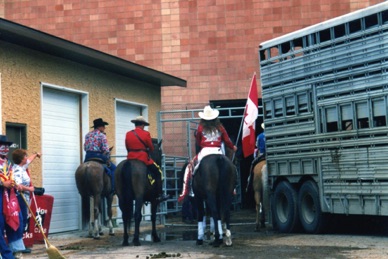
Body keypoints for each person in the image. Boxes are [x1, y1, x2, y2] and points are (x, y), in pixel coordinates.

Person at [178, 105, 237, 203]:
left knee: (189, 168)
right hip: (218, 151)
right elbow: (227, 140)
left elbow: (198, 141)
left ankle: (188, 191)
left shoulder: (201, 127)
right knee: (232, 168)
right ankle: (233, 188)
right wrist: (233, 147)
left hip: (205, 151)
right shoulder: (220, 127)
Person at [125, 116, 170, 203]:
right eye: (144, 125)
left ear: (135, 124)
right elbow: (151, 148)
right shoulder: (146, 134)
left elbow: (127, 147)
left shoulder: (128, 134)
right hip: (143, 158)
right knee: (158, 172)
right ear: (142, 125)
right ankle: (160, 194)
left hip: (130, 158)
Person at [12, 149, 41, 254]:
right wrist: (30, 189)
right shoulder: (17, 171)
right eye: (25, 156)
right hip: (20, 198)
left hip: (25, 197)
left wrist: (36, 154)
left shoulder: (22, 167)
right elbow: (18, 186)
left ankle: (20, 244)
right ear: (21, 159)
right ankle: (18, 246)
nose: (26, 158)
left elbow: (29, 160)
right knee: (22, 220)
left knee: (24, 220)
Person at [0, 135, 25, 259]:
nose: (4, 149)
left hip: (9, 195)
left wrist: (15, 184)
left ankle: (16, 249)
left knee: (16, 219)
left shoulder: (8, 162)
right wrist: (2, 183)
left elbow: (11, 177)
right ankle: (6, 254)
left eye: (6, 146)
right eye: (1, 146)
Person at [84, 118, 116, 193]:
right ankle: (113, 189)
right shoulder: (102, 135)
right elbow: (106, 150)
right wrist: (106, 155)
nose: (104, 128)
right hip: (98, 155)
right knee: (114, 169)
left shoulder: (87, 135)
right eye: (103, 126)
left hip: (88, 156)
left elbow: (85, 148)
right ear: (99, 127)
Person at [246, 122, 266, 193]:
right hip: (271, 154)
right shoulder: (272, 135)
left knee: (253, 164)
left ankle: (249, 180)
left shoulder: (259, 136)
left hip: (262, 154)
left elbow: (257, 145)